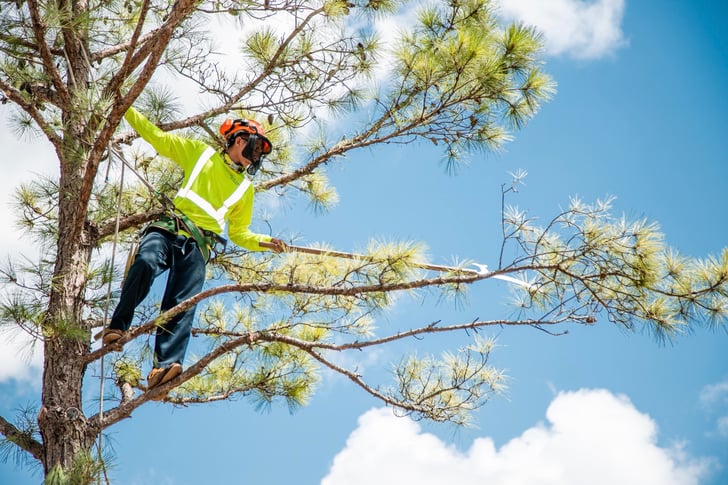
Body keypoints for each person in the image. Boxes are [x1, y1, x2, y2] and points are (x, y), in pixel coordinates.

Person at [99, 107, 286, 394]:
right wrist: (127, 106)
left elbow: (239, 233)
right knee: (145, 263)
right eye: (257, 146)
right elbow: (158, 138)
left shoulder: (244, 189)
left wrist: (265, 242)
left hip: (199, 245)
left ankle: (165, 366)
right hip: (167, 228)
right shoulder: (200, 154)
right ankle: (118, 326)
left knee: (182, 303)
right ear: (239, 140)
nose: (258, 154)